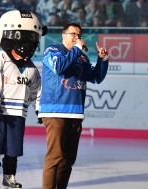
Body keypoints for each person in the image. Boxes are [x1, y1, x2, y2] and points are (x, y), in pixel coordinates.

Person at [38, 23, 109, 189]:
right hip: (55, 111)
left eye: (79, 35)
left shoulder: (81, 57)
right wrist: (77, 49)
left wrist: (102, 60)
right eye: (73, 34)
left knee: (68, 159)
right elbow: (59, 67)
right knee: (55, 156)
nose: (76, 37)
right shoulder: (53, 50)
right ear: (63, 36)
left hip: (76, 113)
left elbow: (95, 77)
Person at [0, 10, 47, 189]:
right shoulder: (0, 58)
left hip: (19, 113)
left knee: (14, 147)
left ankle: (9, 175)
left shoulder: (32, 68)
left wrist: (39, 109)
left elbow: (37, 91)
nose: (26, 45)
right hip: (0, 111)